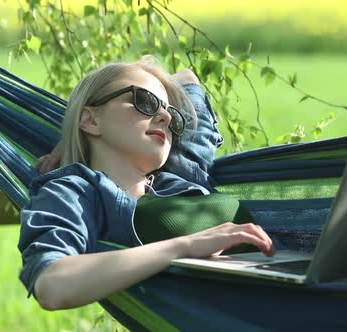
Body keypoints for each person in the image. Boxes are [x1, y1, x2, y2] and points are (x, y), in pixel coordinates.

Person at [18, 56, 275, 311]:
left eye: (171, 114)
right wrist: (185, 246)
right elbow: (52, 284)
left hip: (294, 283)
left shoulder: (182, 172)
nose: (165, 117)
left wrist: (68, 137)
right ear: (91, 120)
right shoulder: (76, 191)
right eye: (145, 101)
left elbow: (186, 78)